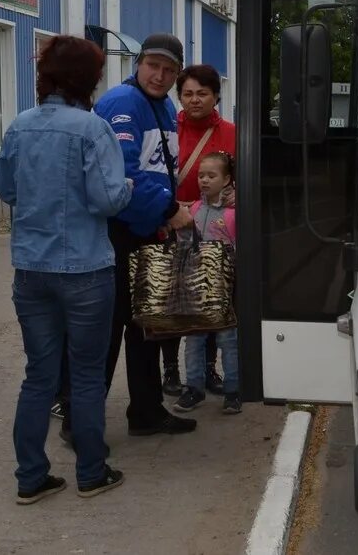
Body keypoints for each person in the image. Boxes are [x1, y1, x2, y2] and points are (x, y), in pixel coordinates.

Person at [0, 35, 130, 503]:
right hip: (87, 270)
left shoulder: (19, 127)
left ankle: (30, 477)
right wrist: (128, 184)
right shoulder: (93, 130)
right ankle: (91, 472)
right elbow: (107, 199)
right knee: (88, 374)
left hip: (31, 270)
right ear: (88, 79)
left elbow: (7, 190)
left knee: (39, 375)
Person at [91, 32, 198, 436]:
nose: (160, 75)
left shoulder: (164, 107)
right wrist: (170, 210)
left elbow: (160, 169)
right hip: (118, 233)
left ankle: (147, 411)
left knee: (146, 325)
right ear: (138, 63)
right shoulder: (122, 103)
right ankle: (81, 418)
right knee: (111, 327)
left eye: (169, 70)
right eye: (154, 66)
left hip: (147, 231)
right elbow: (123, 176)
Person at [172, 64, 237, 397]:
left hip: (215, 228)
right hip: (170, 224)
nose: (194, 100)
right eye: (187, 93)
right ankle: (172, 372)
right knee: (172, 303)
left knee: (210, 304)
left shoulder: (231, 132)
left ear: (215, 96)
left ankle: (208, 371)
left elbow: (244, 175)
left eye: (202, 93)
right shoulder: (169, 128)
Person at [173, 152, 241, 414]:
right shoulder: (195, 209)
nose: (204, 180)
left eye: (211, 176)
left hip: (223, 287)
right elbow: (184, 242)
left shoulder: (234, 214)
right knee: (193, 340)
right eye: (201, 175)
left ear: (226, 180)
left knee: (228, 339)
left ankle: (233, 390)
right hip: (196, 286)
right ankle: (194, 388)